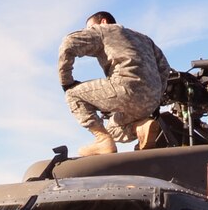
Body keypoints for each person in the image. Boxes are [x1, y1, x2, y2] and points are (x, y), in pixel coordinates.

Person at [58, 11, 173, 155]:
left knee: (72, 94)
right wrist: (156, 94)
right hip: (151, 101)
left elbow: (68, 43)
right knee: (112, 128)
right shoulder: (145, 39)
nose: (88, 32)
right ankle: (140, 127)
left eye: (89, 28)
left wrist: (66, 82)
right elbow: (165, 68)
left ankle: (102, 140)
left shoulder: (104, 30)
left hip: (125, 87)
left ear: (103, 22)